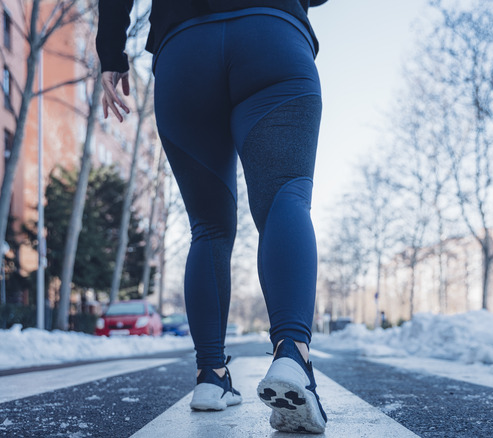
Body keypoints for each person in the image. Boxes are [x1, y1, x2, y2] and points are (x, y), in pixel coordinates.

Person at [96, 0, 328, 433]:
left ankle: (211, 376)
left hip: (184, 47)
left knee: (209, 227)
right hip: (272, 35)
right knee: (286, 198)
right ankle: (293, 355)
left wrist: (110, 54)